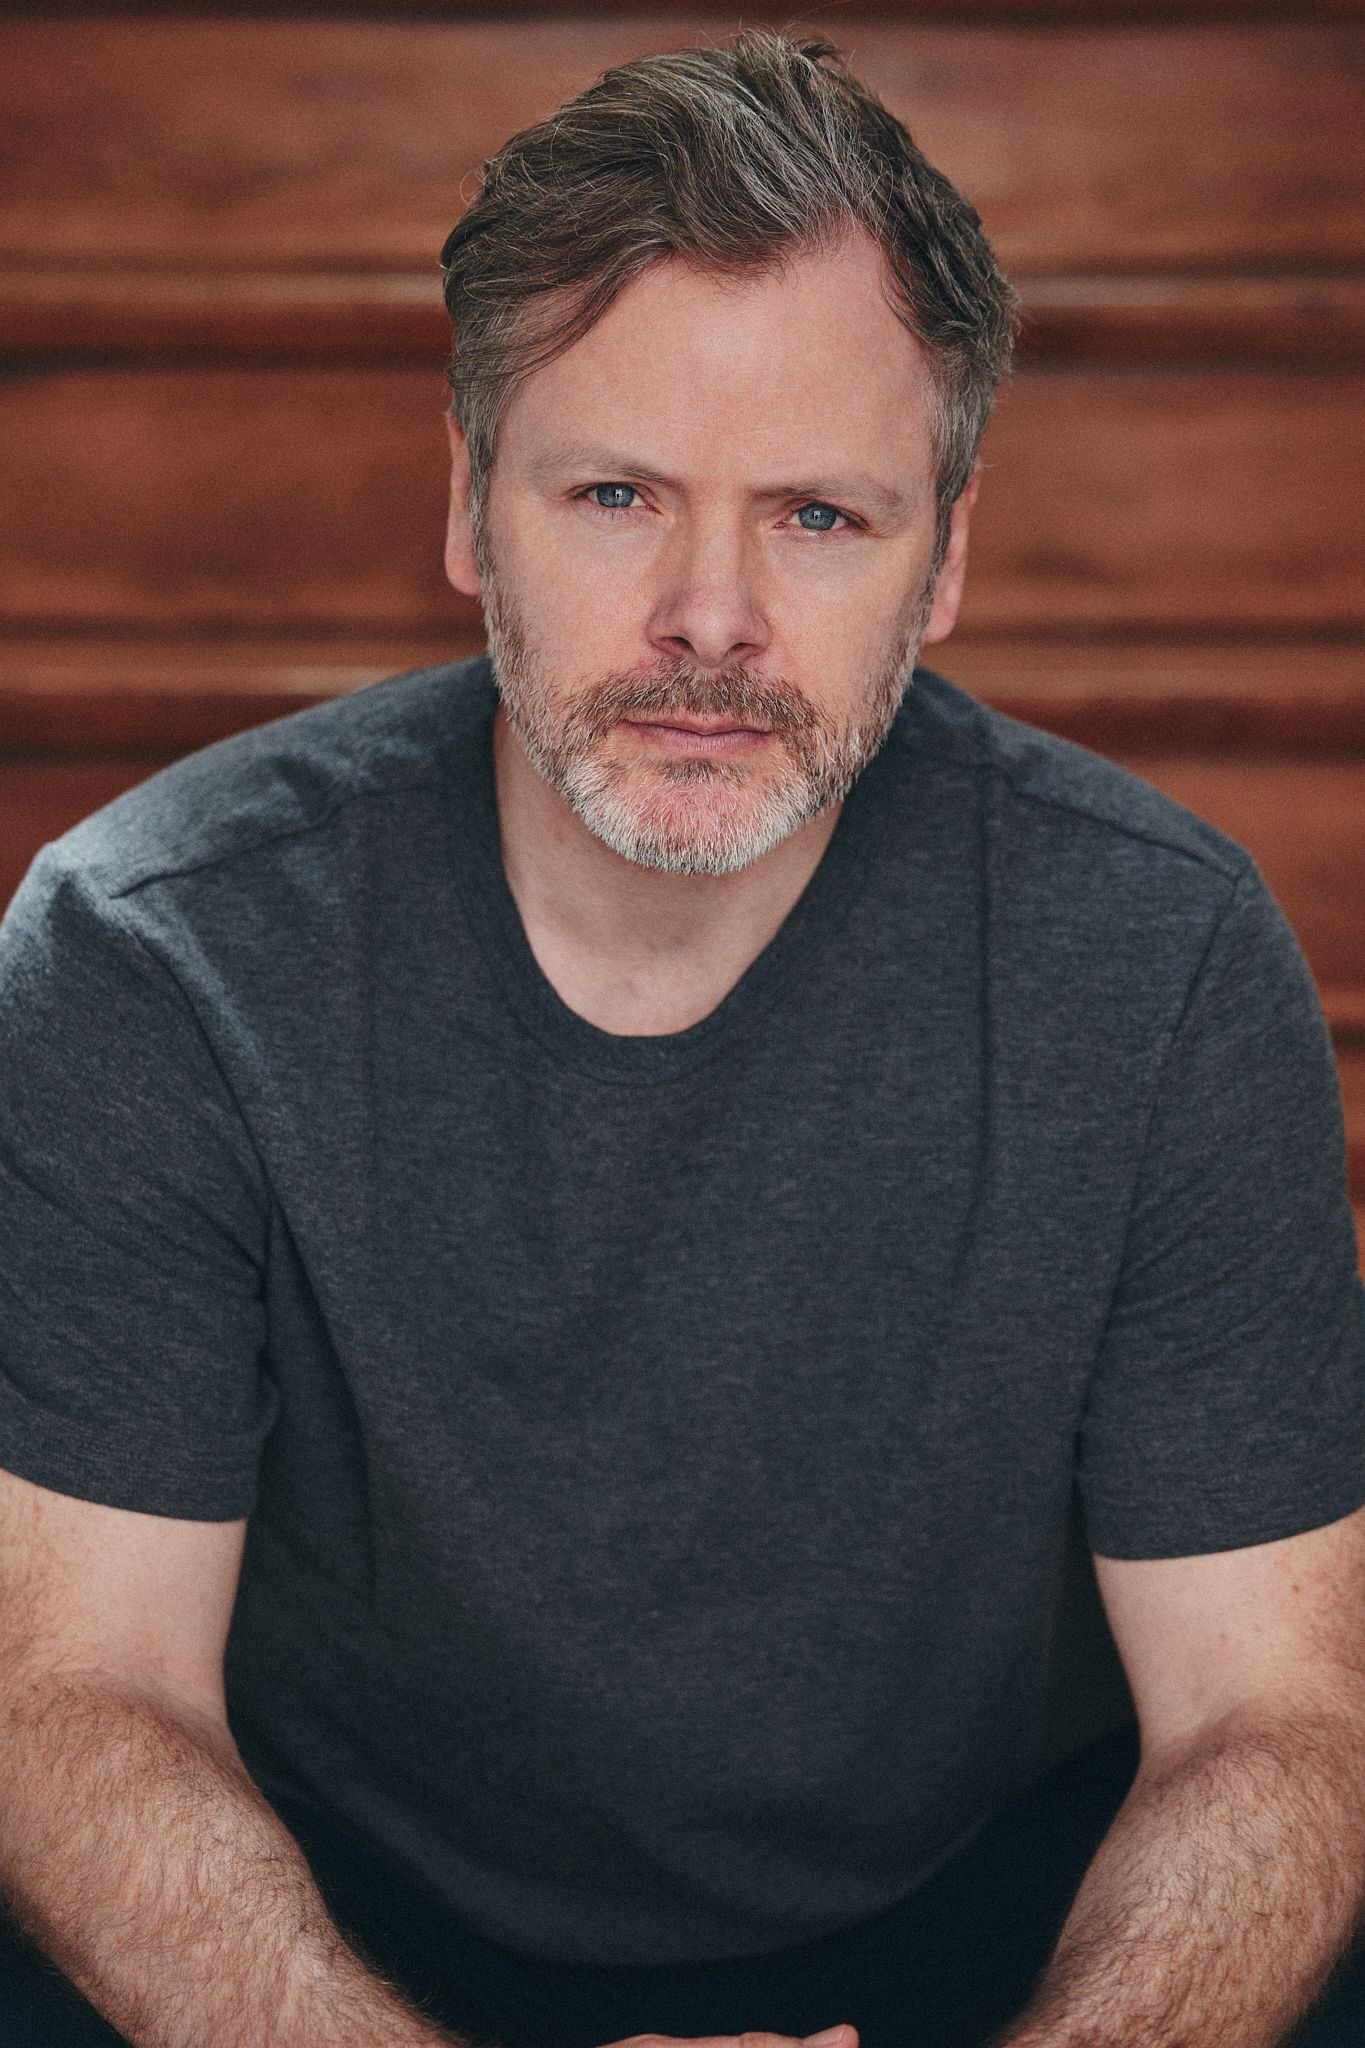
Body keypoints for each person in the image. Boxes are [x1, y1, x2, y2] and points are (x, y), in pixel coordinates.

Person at [0, 28, 1363, 2048]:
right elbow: (79, 1700)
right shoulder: (150, 950)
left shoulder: (1158, 958)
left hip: (995, 1934)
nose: (708, 616)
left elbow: (1271, 1724)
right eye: (616, 492)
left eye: (815, 514)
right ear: (471, 508)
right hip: (325, 1938)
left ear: (944, 556)